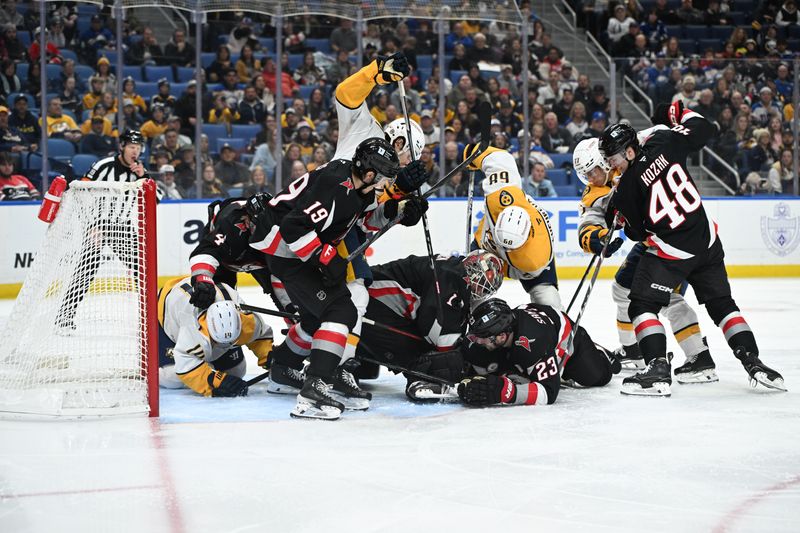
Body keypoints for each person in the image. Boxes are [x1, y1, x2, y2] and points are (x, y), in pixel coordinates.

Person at [598, 104, 786, 396]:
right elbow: (705, 127)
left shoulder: (626, 189)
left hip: (673, 252)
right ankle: (752, 359)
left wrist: (619, 214)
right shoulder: (664, 141)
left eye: (614, 159)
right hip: (707, 242)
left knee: (641, 306)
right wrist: (678, 112)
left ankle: (657, 370)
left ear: (630, 151)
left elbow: (640, 233)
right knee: (722, 305)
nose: (613, 166)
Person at [247, 137, 426, 420]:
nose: (386, 185)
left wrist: (399, 212)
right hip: (283, 250)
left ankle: (282, 368)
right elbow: (294, 227)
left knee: (314, 318)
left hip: (294, 248)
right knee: (341, 309)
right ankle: (314, 389)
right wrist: (324, 258)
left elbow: (366, 221)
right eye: (384, 179)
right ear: (369, 174)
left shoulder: (360, 187)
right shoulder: (335, 187)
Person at [573, 136, 717, 381]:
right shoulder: (597, 190)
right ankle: (633, 349)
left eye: (592, 172)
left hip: (676, 242)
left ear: (605, 162)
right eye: (584, 175)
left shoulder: (636, 157)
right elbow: (589, 219)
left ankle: (699, 356)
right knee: (621, 289)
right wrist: (594, 238)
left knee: (666, 299)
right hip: (651, 243)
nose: (589, 179)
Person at [356, 251, 504, 401]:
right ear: (473, 270)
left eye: (485, 289)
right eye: (482, 284)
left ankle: (356, 362)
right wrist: (455, 365)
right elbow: (439, 336)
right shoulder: (450, 277)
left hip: (377, 303)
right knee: (419, 347)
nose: (480, 291)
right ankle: (422, 378)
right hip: (367, 301)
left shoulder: (454, 271)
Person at [54, 130, 152, 330]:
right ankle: (65, 316)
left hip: (123, 227)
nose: (135, 151)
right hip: (98, 225)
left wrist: (145, 176)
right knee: (86, 270)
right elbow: (80, 193)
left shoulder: (139, 172)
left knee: (142, 271)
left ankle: (152, 318)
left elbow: (153, 201)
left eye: (138, 147)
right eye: (132, 146)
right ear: (122, 147)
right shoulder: (102, 166)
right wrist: (92, 226)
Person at [457, 298, 617, 407]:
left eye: (482, 337)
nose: (476, 340)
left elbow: (549, 391)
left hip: (571, 345)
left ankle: (599, 353)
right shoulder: (501, 334)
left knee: (598, 377)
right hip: (536, 333)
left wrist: (508, 393)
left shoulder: (534, 342)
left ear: (501, 336)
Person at [466, 144, 561, 310]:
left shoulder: (535, 257)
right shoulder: (500, 196)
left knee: (548, 299)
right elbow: (499, 158)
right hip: (486, 246)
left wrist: (499, 268)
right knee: (472, 288)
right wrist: (474, 152)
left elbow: (514, 272)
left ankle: (557, 328)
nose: (503, 248)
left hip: (520, 263)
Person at [157, 277, 272, 397]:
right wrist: (213, 381)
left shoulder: (246, 321)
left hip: (208, 329)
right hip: (167, 312)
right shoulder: (194, 329)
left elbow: (261, 335)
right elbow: (185, 364)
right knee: (172, 379)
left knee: (236, 372)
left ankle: (209, 365)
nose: (222, 346)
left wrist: (269, 358)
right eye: (216, 342)